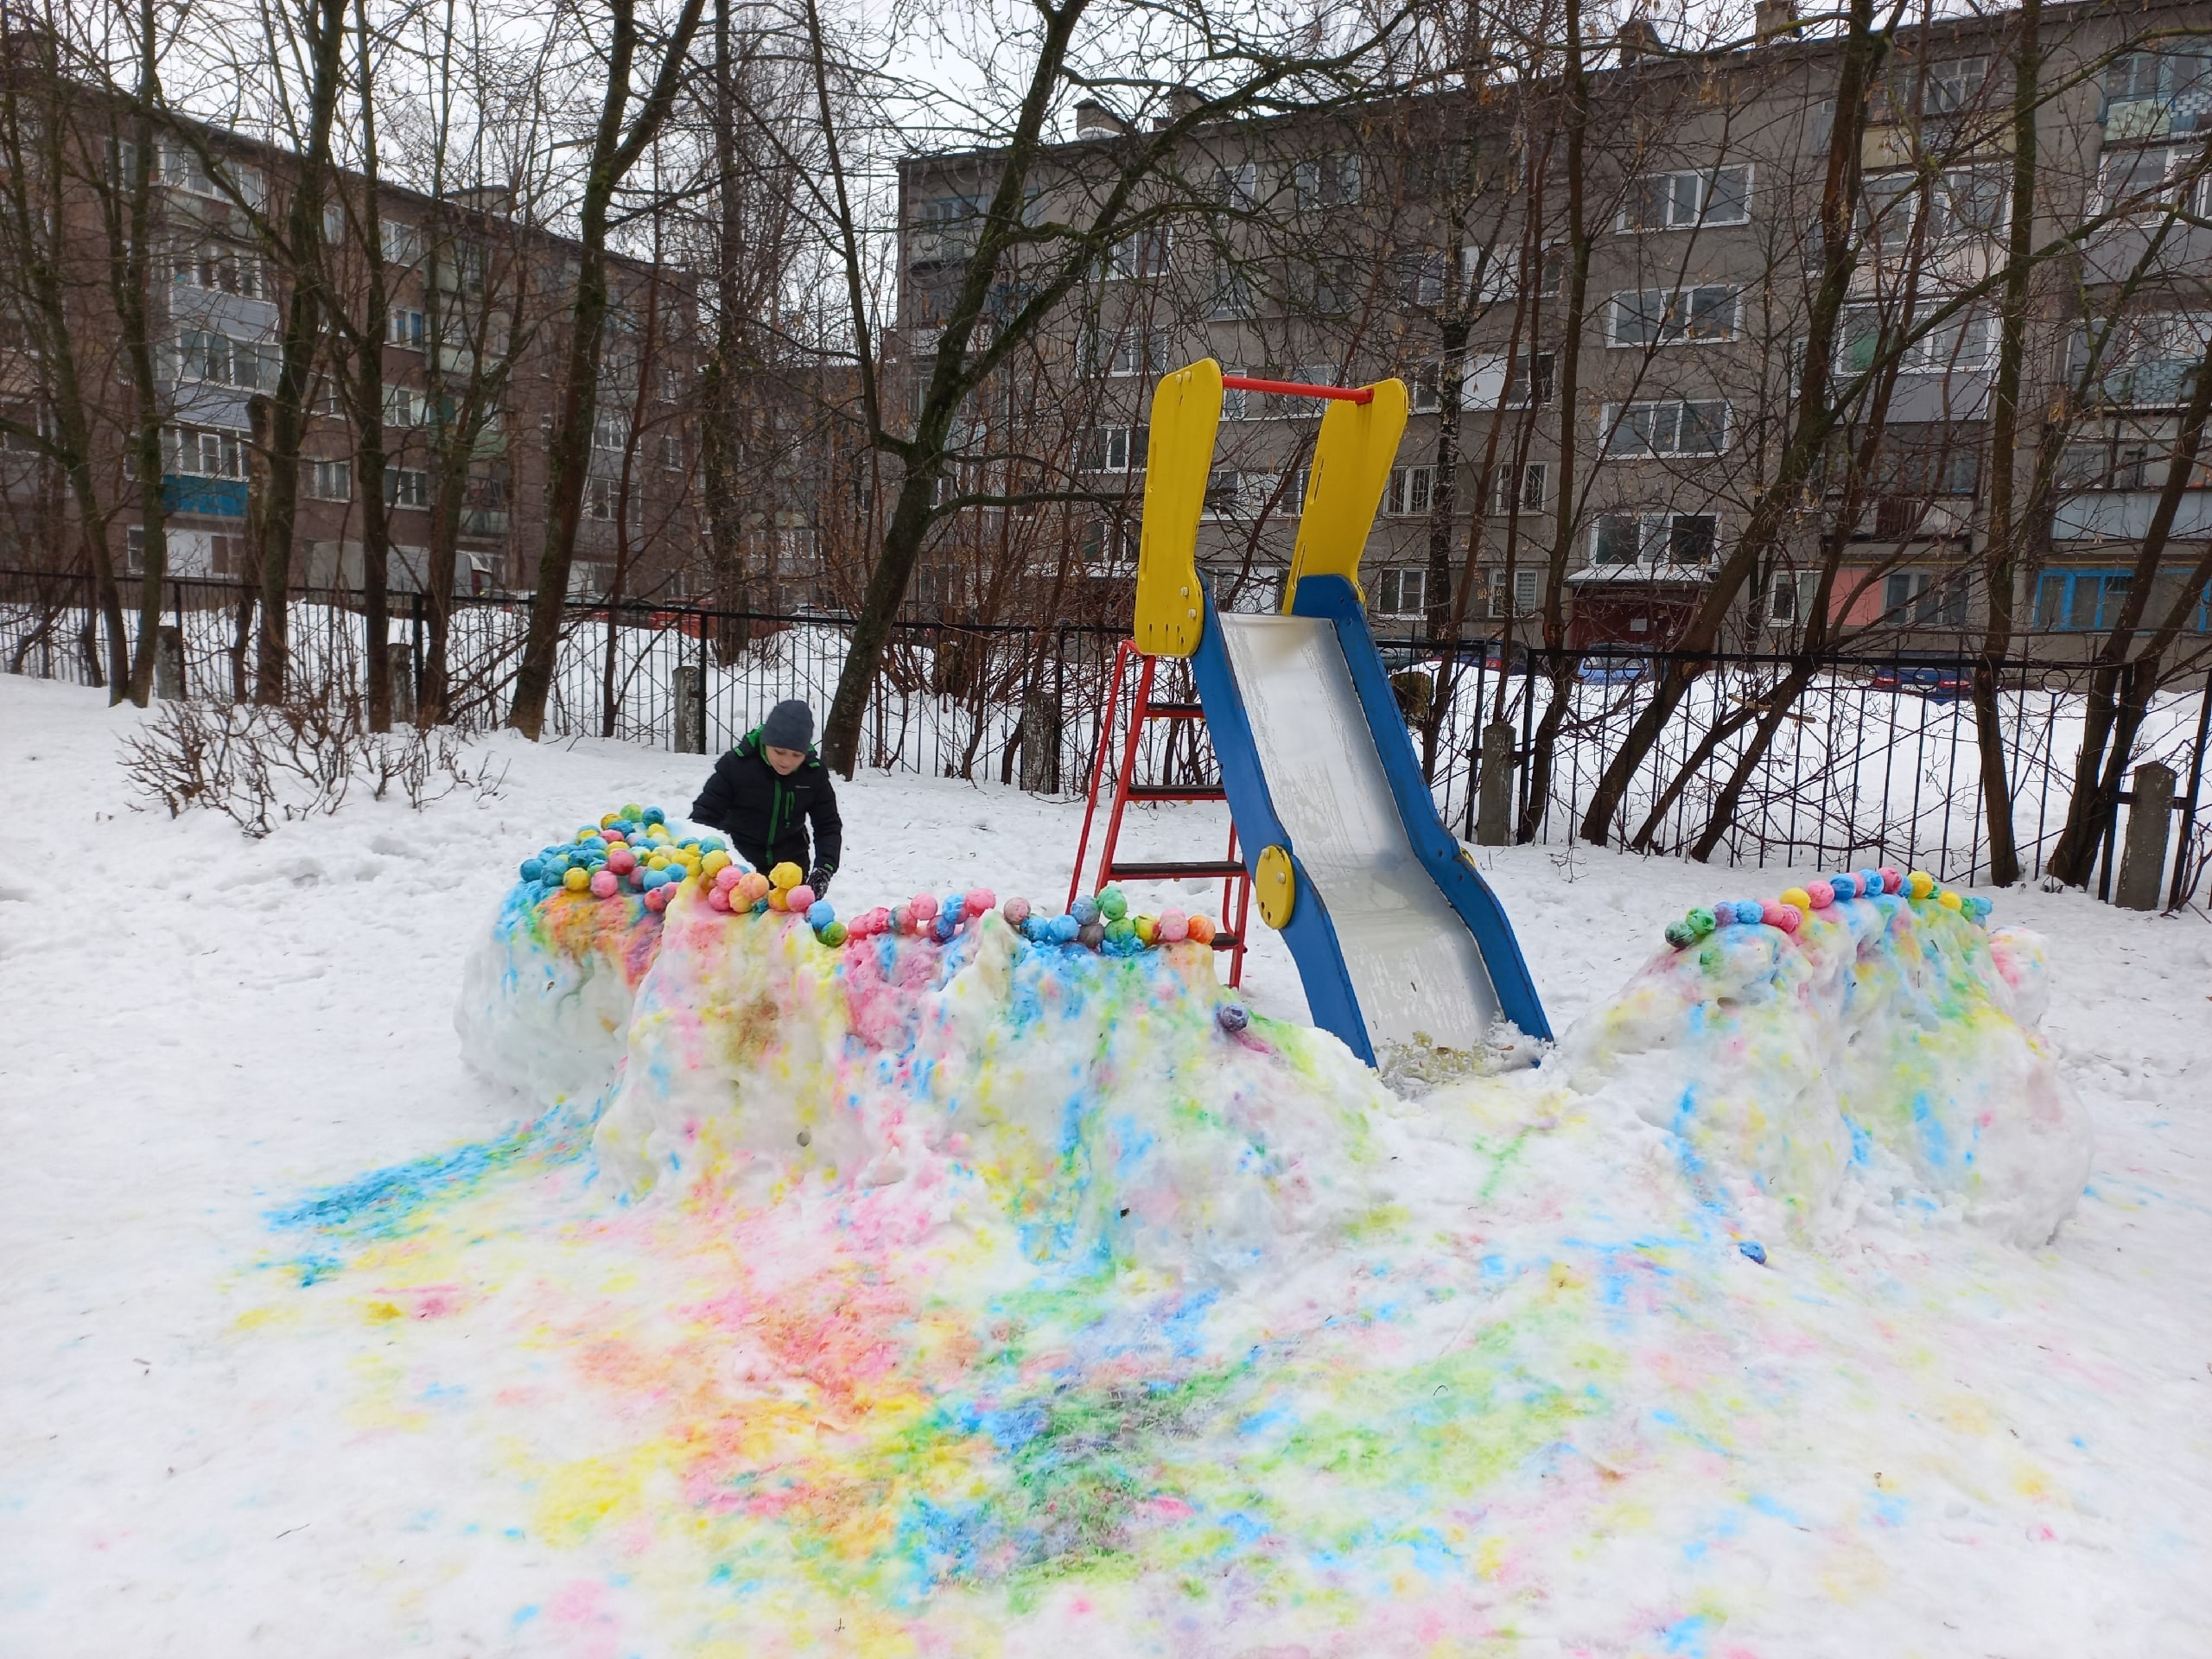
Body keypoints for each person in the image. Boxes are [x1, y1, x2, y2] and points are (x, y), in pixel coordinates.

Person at [690, 699, 842, 894]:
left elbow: (827, 824)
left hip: (789, 868)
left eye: (797, 755)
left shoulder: (813, 774)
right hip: (738, 865)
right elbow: (704, 815)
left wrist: (824, 868)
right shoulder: (737, 766)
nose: (787, 762)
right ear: (766, 742)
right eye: (779, 752)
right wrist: (706, 856)